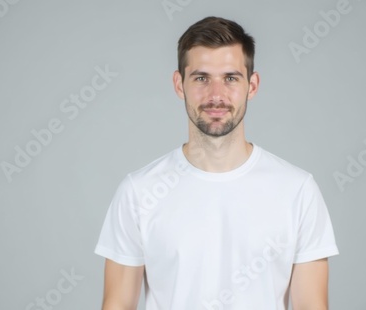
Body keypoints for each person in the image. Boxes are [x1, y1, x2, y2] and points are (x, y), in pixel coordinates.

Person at [95, 16, 339, 310]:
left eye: (231, 78)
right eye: (201, 78)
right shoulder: (138, 192)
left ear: (252, 85)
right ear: (179, 84)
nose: (216, 95)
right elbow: (117, 305)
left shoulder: (298, 191)